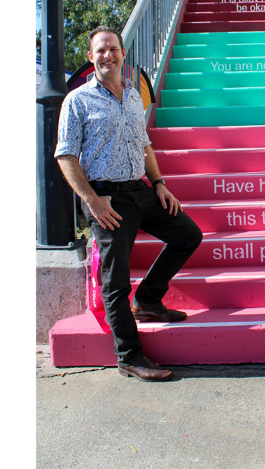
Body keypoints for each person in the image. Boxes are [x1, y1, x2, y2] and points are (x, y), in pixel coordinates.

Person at [55, 26, 203, 382]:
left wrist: (160, 184)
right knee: (116, 282)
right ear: (91, 58)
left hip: (141, 190)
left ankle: (149, 301)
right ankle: (129, 356)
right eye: (100, 51)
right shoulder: (77, 100)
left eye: (113, 49)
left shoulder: (135, 96)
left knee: (188, 234)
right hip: (108, 198)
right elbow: (65, 156)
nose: (108, 55)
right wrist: (92, 201)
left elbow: (145, 145)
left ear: (123, 54)